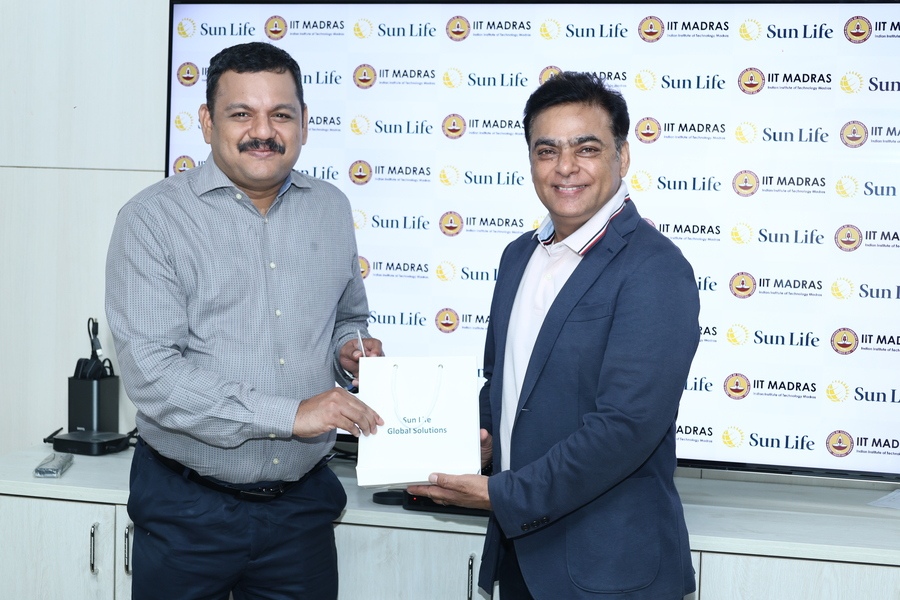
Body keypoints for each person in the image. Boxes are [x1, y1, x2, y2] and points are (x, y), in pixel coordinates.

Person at [105, 41, 383, 599]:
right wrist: (292, 414)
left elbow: (348, 315)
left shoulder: (330, 208)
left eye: (281, 114)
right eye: (241, 114)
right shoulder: (151, 220)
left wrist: (350, 350)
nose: (263, 131)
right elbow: (154, 375)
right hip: (188, 510)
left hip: (301, 511)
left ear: (304, 122)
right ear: (207, 122)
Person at [408, 72, 700, 599]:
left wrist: (504, 494)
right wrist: (475, 443)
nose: (565, 167)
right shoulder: (518, 256)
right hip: (522, 555)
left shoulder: (655, 269)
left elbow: (626, 428)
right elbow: (504, 384)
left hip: (609, 570)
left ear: (622, 156)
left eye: (586, 149)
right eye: (547, 151)